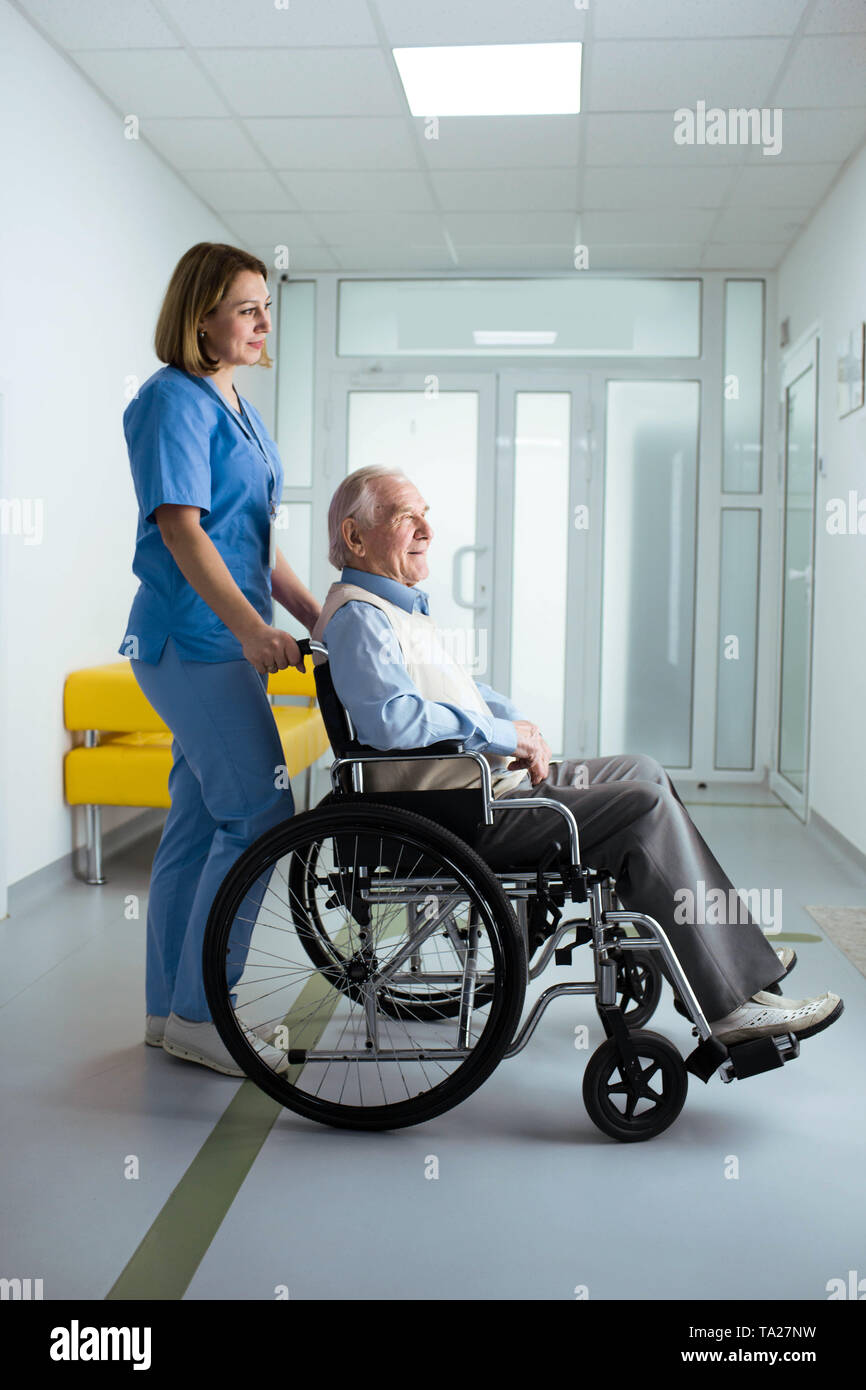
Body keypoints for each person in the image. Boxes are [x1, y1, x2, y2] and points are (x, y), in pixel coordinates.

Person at [312, 465, 844, 1048]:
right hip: (457, 815)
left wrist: (515, 726)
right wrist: (499, 734)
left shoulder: (397, 608)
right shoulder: (362, 616)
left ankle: (726, 947)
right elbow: (390, 722)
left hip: (476, 789)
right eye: (404, 516)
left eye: (426, 514)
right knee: (641, 806)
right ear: (356, 537)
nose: (426, 530)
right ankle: (730, 1006)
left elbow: (445, 693)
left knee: (641, 769)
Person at [119, 242, 320, 1076]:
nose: (263, 321)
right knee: (261, 817)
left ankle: (171, 1013)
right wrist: (249, 631)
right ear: (200, 315)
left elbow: (255, 540)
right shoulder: (172, 399)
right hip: (191, 641)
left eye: (266, 307)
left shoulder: (238, 404)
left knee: (200, 823)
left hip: (220, 641)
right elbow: (182, 528)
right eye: (246, 307)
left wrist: (321, 614)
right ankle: (208, 1014)